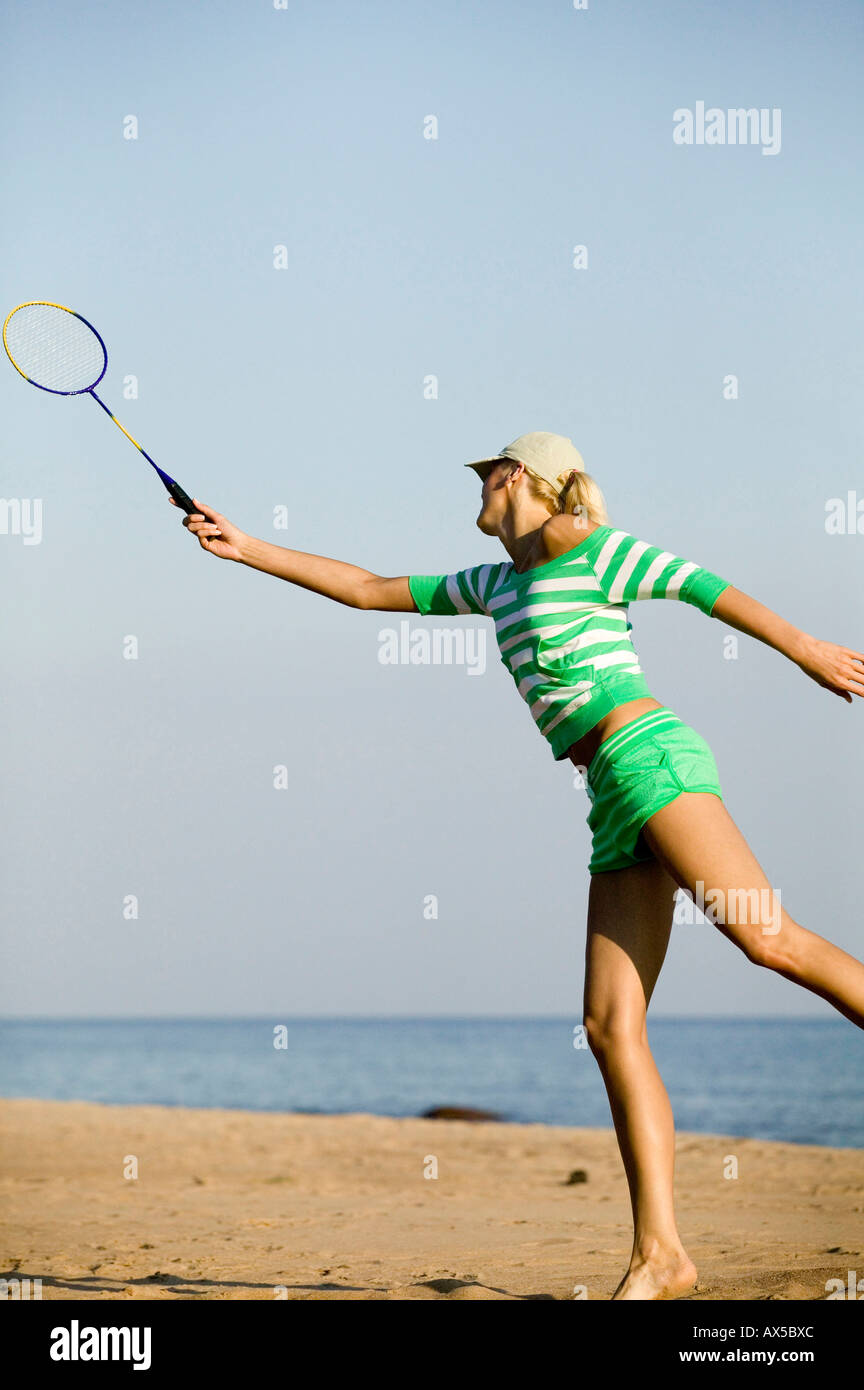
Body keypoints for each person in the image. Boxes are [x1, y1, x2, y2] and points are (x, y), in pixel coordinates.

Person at [173, 430, 864, 1301]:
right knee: (611, 1027)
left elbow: (699, 586)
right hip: (610, 792)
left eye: (486, 473)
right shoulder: (494, 583)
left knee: (771, 943)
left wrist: (804, 649)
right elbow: (366, 589)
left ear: (519, 479)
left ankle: (663, 1254)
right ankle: (663, 1256)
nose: (475, 485)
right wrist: (249, 549)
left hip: (650, 757)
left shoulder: (589, 548)